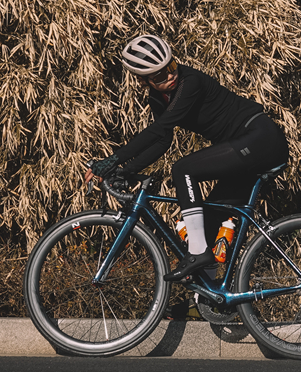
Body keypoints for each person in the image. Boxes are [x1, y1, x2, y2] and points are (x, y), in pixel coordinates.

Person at [86, 34, 289, 281]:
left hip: (260, 139)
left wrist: (112, 161)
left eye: (171, 66)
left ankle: (197, 252)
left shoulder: (189, 82)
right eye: (160, 75)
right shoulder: (158, 99)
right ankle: (206, 297)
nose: (171, 75)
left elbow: (158, 130)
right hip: (245, 151)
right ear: (143, 80)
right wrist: (127, 171)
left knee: (183, 169)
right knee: (207, 224)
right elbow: (163, 140)